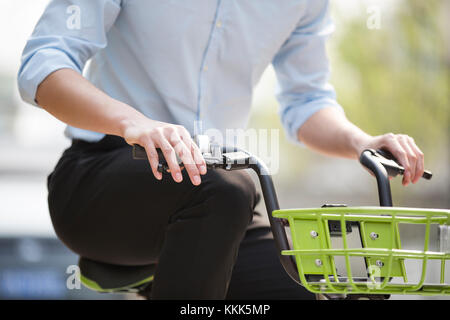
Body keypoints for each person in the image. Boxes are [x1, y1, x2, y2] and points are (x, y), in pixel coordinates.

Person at [17, 0, 424, 299]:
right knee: (226, 189)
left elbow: (307, 103)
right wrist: (133, 123)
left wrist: (362, 142)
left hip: (220, 201)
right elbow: (44, 63)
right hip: (102, 178)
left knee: (291, 292)